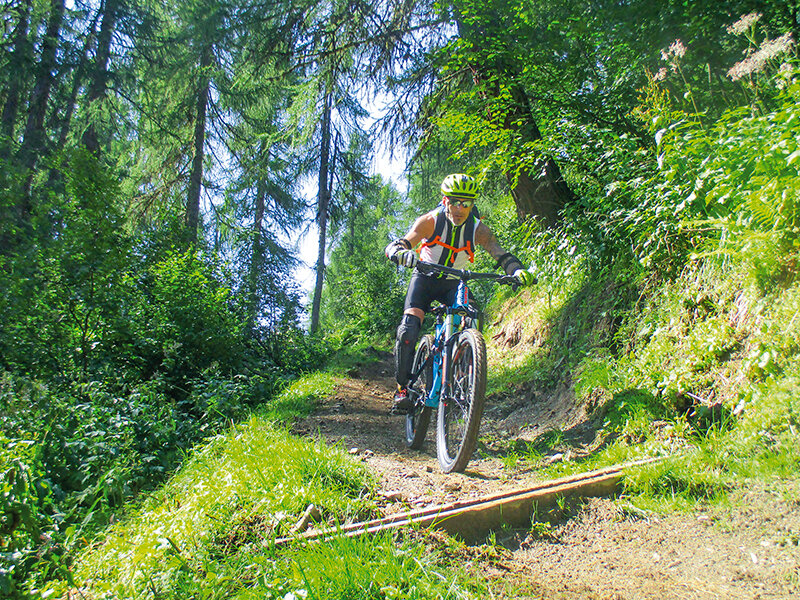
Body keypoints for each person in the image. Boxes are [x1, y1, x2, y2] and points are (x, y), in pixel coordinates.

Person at [384, 173, 535, 414]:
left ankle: (463, 377)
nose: (460, 208)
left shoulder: (479, 230)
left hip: (455, 283)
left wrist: (517, 271)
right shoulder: (430, 222)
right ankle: (403, 389)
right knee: (408, 330)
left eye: (466, 203)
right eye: (455, 201)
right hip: (424, 279)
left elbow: (500, 254)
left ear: (473, 205)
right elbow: (403, 242)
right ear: (445, 200)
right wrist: (399, 252)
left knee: (473, 319)